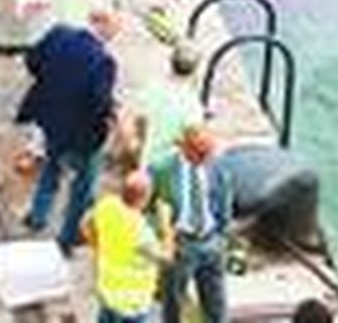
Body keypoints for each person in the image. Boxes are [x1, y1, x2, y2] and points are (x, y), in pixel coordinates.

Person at [18, 20, 117, 255]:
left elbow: (32, 61)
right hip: (83, 136)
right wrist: (111, 111)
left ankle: (37, 217)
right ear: (106, 28)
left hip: (50, 119)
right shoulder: (104, 61)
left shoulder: (58, 33)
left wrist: (53, 85)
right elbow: (99, 103)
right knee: (82, 185)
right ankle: (69, 237)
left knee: (51, 168)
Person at [152, 122, 235, 323]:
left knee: (217, 307)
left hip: (211, 242)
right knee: (173, 305)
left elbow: (224, 199)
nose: (205, 158)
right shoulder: (163, 169)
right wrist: (165, 237)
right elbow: (149, 206)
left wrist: (222, 237)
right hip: (181, 244)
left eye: (208, 152)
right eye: (200, 153)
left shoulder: (216, 166)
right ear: (185, 148)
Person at [86, 164, 166, 323]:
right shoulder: (142, 231)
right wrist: (166, 226)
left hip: (107, 290)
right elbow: (165, 257)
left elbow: (86, 224)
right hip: (132, 303)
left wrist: (97, 248)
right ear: (146, 198)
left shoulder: (106, 205)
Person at [127, 37, 204, 169]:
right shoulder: (191, 104)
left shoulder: (151, 87)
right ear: (195, 70)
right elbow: (192, 141)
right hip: (165, 161)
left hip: (142, 156)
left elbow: (136, 122)